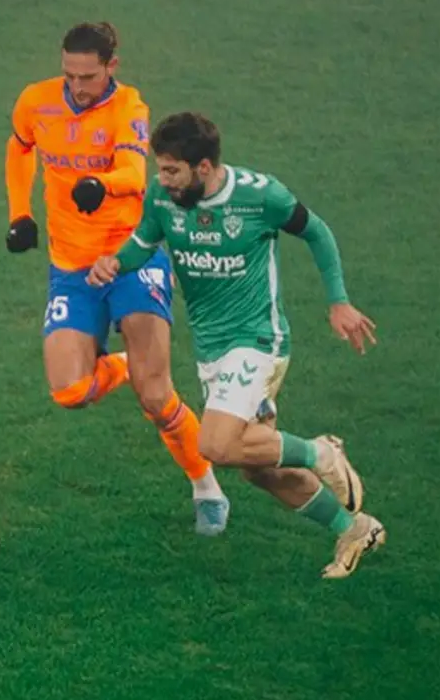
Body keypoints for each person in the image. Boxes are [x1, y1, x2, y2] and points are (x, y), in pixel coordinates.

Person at [87, 111, 386, 578]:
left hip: (258, 340)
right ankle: (355, 528)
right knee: (258, 468)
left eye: (171, 170)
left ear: (203, 167)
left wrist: (339, 301)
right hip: (212, 349)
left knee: (217, 444)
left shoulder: (259, 196)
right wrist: (113, 263)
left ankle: (322, 452)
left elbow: (317, 231)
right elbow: (142, 244)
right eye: (159, 169)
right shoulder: (163, 200)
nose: (161, 180)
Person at [3, 24, 229, 535]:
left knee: (156, 396)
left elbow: (133, 174)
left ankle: (205, 485)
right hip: (71, 268)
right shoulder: (36, 102)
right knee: (70, 392)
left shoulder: (130, 109)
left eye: (87, 75)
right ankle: (122, 364)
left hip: (132, 258)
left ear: (111, 66)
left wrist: (97, 185)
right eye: (69, 74)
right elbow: (19, 148)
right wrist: (21, 213)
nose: (77, 86)